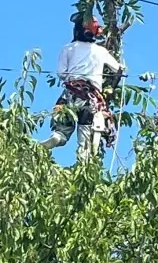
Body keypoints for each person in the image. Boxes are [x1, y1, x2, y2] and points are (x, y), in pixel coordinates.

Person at [47, 16, 124, 159]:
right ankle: (83, 159)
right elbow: (118, 69)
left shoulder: (68, 48)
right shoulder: (100, 51)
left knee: (62, 129)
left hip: (70, 93)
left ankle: (57, 137)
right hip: (90, 98)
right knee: (85, 136)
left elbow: (61, 73)